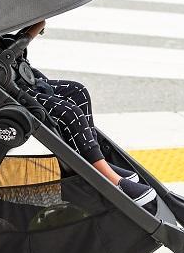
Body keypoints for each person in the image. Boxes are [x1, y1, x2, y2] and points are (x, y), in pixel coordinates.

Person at [23, 40, 157, 212]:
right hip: (7, 86)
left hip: (17, 75)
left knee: (78, 92)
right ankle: (110, 180)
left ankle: (97, 163)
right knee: (69, 114)